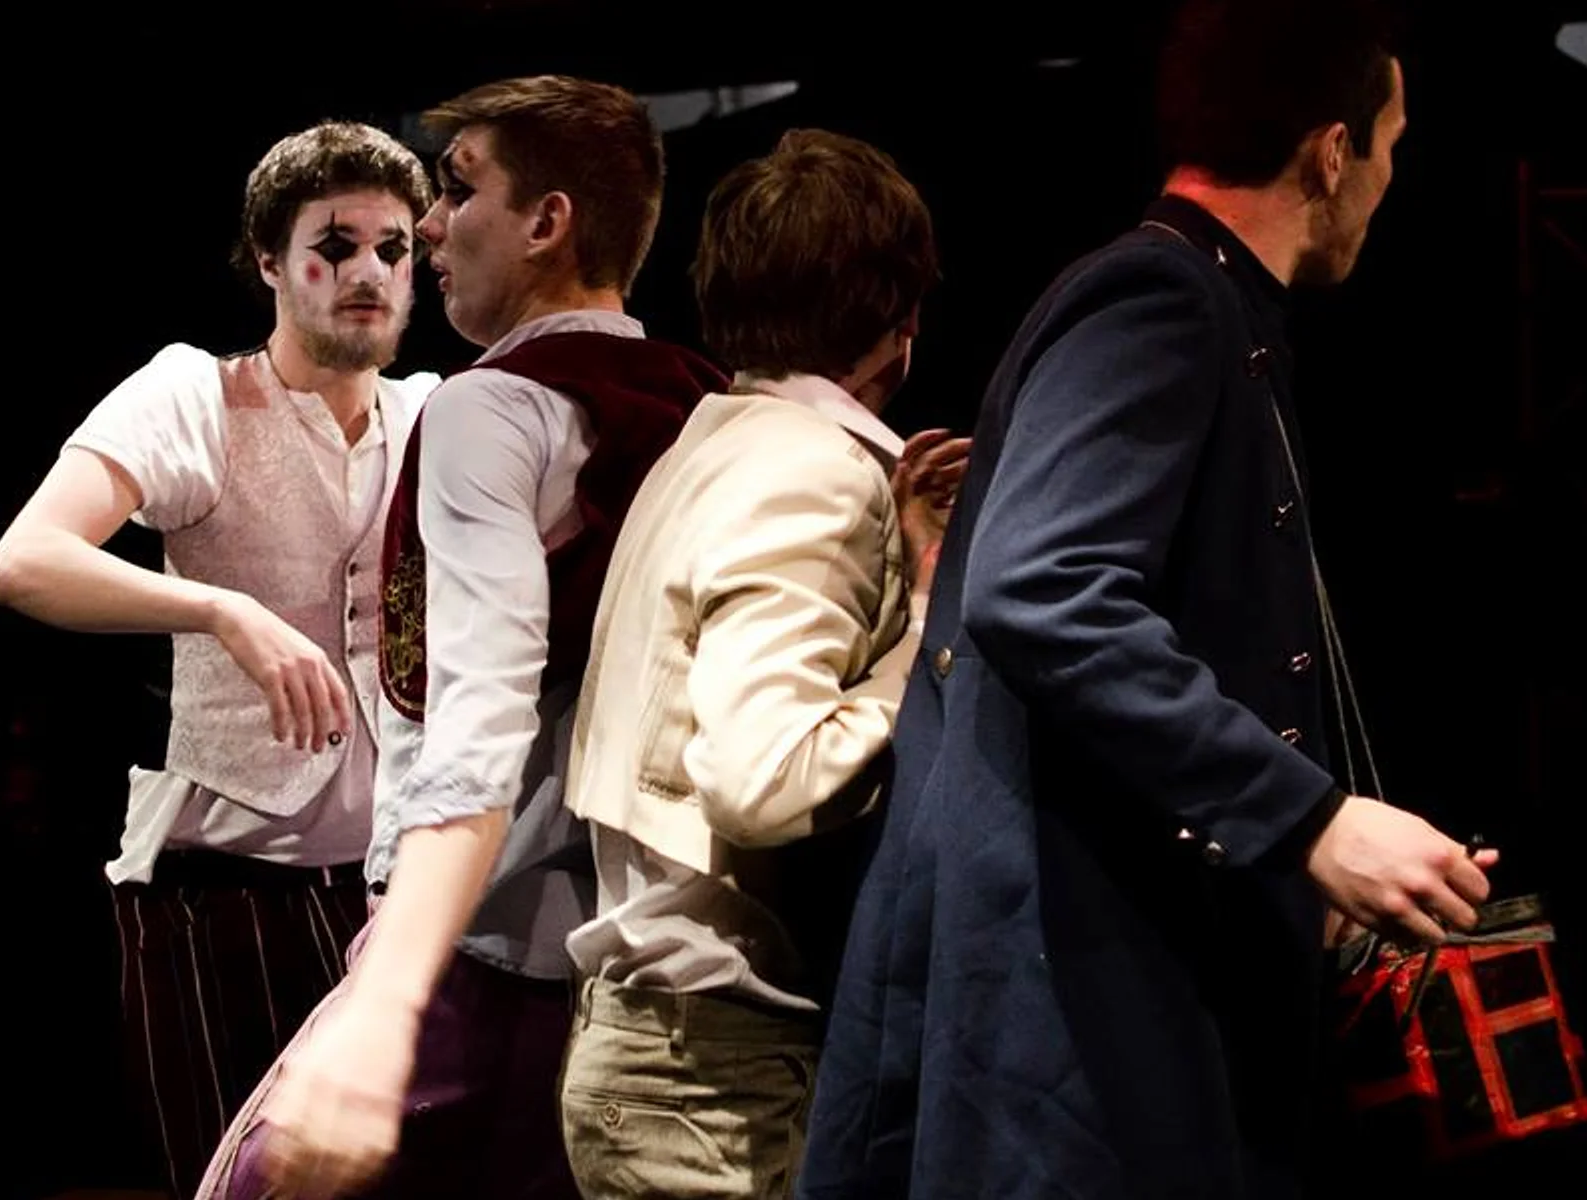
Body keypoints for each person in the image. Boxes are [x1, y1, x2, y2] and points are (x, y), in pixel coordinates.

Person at [798, 3, 1499, 1197]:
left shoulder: (1203, 302)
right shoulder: (1160, 300)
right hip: (1073, 1015)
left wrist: (1290, 867)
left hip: (1116, 982)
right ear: (1334, 152)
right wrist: (1310, 823)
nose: (1389, 179)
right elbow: (1043, 589)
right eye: (1391, 144)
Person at [197, 76, 728, 1200]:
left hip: (482, 949)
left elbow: (478, 711)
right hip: (637, 963)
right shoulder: (705, 402)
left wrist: (390, 999)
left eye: (460, 190)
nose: (431, 227)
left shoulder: (493, 406)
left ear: (547, 223)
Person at [0, 121, 436, 1197]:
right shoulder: (199, 396)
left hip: (387, 894)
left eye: (393, 249)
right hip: (221, 899)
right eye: (335, 246)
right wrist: (222, 609)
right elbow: (24, 561)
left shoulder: (434, 414)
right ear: (270, 261)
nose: (368, 274)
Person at [554, 129, 966, 1200]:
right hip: (709, 1076)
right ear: (899, 318)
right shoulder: (812, 470)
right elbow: (765, 778)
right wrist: (927, 632)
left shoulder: (715, 444)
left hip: (670, 1056)